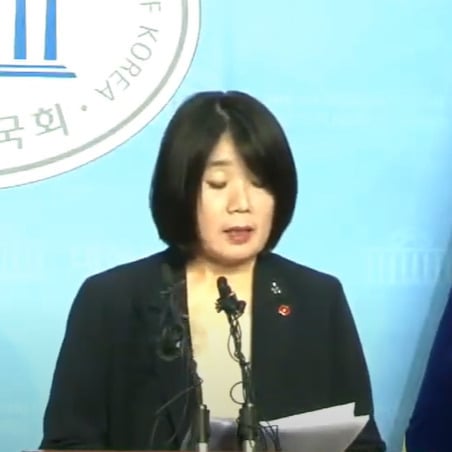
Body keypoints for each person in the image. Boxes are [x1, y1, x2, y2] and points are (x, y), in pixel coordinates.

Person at [39, 90, 386, 451]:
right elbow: (69, 443)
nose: (241, 204)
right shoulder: (112, 301)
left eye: (259, 183)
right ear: (181, 187)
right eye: (218, 184)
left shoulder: (317, 299)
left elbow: (361, 443)